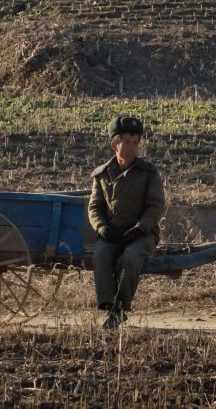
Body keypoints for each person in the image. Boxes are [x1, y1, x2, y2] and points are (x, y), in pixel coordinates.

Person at [88, 115, 166, 329]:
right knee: (101, 255)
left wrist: (141, 228)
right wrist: (101, 227)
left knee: (130, 258)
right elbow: (94, 207)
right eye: (127, 143)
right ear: (115, 144)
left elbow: (156, 206)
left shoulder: (148, 172)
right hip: (112, 234)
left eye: (135, 143)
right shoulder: (102, 174)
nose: (132, 148)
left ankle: (120, 309)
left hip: (142, 235)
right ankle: (109, 306)